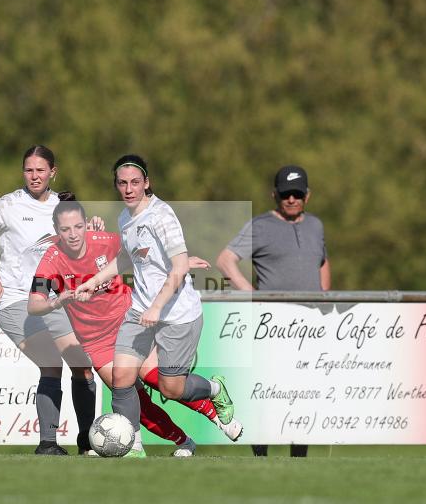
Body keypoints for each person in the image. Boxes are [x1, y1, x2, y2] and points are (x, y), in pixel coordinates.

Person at [28, 193, 244, 457]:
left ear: (87, 224)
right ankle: (179, 442)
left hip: (127, 323)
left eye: (78, 227)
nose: (73, 234)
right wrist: (56, 300)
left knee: (160, 380)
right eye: (65, 229)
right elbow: (33, 304)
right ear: (56, 231)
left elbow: (146, 254)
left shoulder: (106, 241)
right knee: (132, 397)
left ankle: (215, 407)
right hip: (96, 342)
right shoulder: (51, 259)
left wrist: (183, 262)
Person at [75, 155, 240, 443]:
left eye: (135, 183)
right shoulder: (125, 217)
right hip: (140, 311)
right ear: (116, 185)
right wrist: (93, 282)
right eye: (122, 183)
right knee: (121, 379)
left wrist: (156, 307)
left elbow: (178, 268)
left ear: (146, 183)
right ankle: (131, 447)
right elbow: (127, 257)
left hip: (178, 315)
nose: (128, 189)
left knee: (171, 388)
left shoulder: (161, 216)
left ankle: (214, 390)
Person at [0, 145, 100, 456]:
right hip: (13, 301)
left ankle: (89, 444)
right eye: (29, 170)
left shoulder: (63, 206)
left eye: (40, 170)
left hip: (51, 301)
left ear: (53, 171)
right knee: (51, 363)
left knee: (83, 368)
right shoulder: (9, 205)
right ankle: (48, 445)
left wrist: (92, 230)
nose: (34, 175)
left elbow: (81, 249)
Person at [216, 164, 331, 458]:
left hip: (309, 326)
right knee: (267, 392)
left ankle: (299, 457)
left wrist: (325, 300)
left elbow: (322, 262)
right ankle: (260, 455)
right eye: (285, 194)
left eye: (297, 193)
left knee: (302, 392)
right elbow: (226, 260)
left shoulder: (316, 226)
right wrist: (251, 295)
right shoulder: (260, 226)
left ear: (307, 195)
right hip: (272, 325)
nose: (291, 199)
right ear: (274, 195)